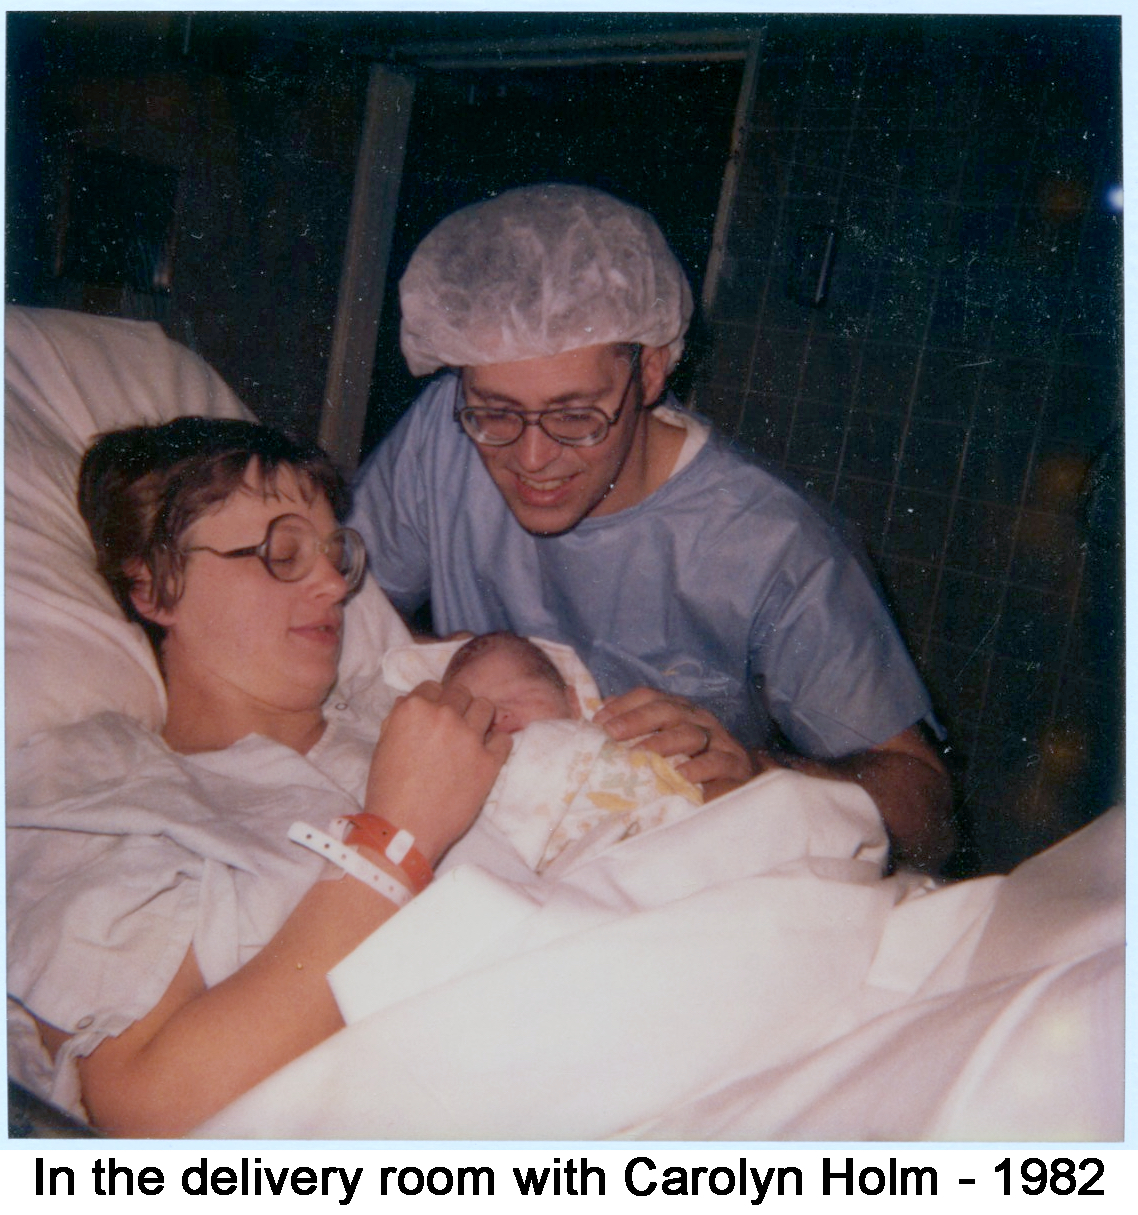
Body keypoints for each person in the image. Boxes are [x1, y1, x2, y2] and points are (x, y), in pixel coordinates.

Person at [348, 183, 954, 870]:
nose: (532, 456)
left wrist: (756, 772)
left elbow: (929, 809)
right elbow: (341, 612)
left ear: (652, 370)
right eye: (496, 412)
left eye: (576, 415)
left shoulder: (775, 546)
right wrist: (448, 660)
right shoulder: (443, 434)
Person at [7, 417, 510, 1136]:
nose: (336, 582)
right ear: (155, 587)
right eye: (283, 551)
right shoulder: (98, 785)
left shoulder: (415, 709)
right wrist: (396, 842)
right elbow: (150, 1104)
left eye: (337, 553)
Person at [439, 631, 703, 873]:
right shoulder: (465, 781)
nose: (500, 715)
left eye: (520, 697)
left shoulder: (613, 738)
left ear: (573, 703)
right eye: (476, 712)